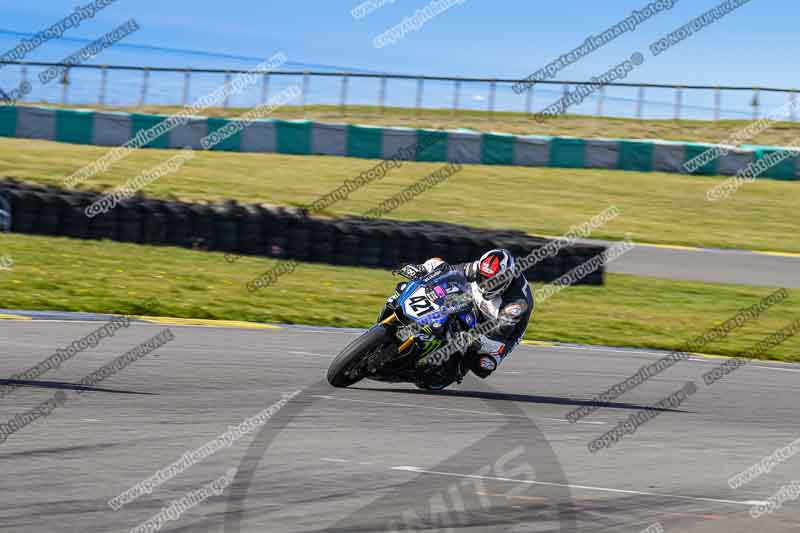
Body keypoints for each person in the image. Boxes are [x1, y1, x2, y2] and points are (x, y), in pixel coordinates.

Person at [394, 249, 534, 387]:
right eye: (483, 277)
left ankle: (453, 367)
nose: (486, 283)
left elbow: (501, 330)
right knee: (440, 279)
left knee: (483, 366)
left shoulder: (517, 302)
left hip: (500, 332)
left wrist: (474, 338)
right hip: (474, 301)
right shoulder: (479, 268)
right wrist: (424, 271)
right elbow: (451, 271)